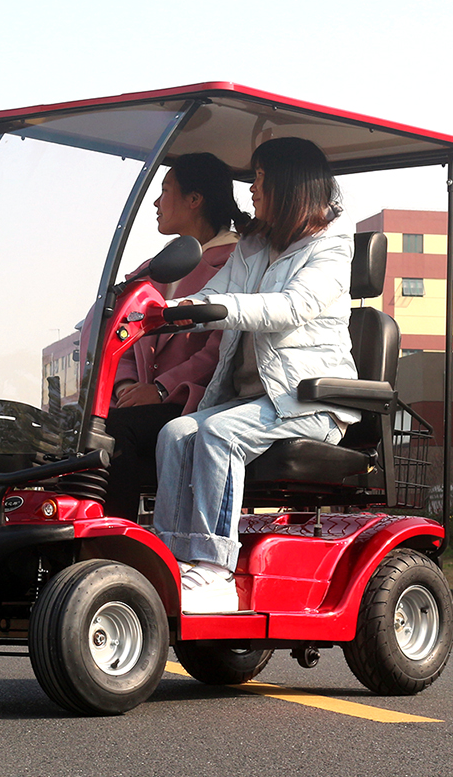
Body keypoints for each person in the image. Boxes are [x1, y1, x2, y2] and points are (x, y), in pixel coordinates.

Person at [153, 137, 361, 614]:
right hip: (256, 401)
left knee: (218, 435)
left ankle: (212, 571)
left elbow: (292, 307)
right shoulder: (252, 245)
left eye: (261, 179)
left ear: (289, 184)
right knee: (176, 432)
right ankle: (170, 557)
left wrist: (214, 309)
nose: (252, 190)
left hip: (308, 400)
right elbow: (214, 294)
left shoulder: (330, 246)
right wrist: (168, 312)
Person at [102, 153, 247, 520]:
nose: (156, 202)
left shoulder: (236, 262)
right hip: (141, 399)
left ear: (194, 199)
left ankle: (111, 543)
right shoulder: (159, 265)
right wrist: (124, 384)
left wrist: (163, 388)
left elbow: (221, 349)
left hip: (192, 399)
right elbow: (110, 321)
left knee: (115, 431)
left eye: (165, 190)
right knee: (71, 429)